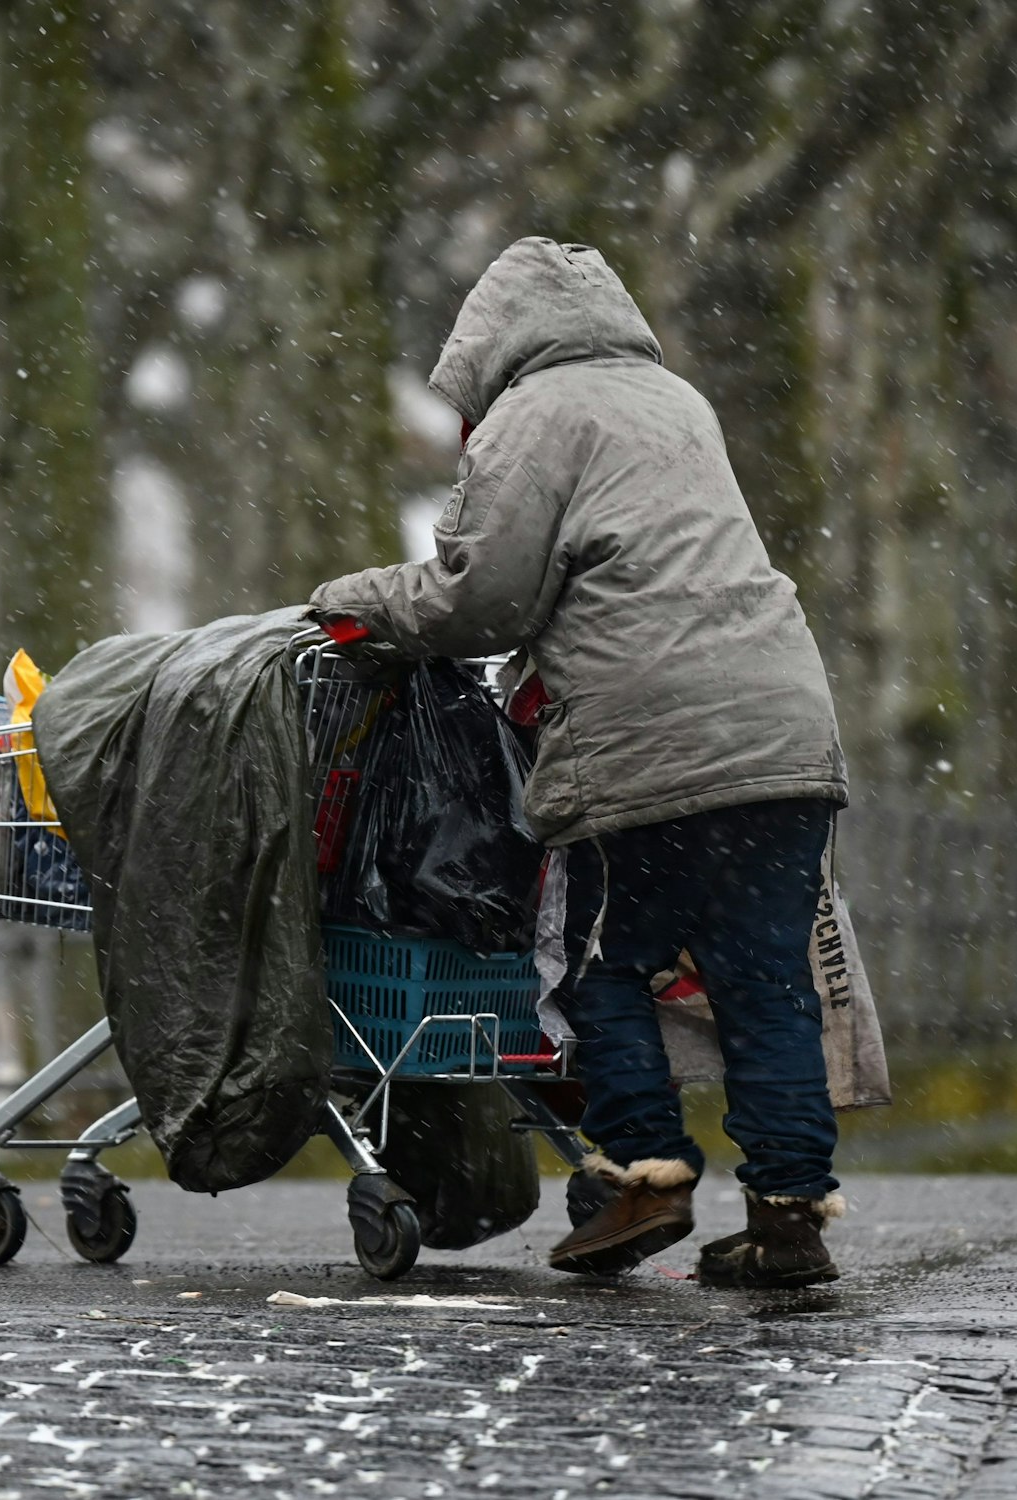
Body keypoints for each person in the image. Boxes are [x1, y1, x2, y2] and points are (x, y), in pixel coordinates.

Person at [309, 237, 849, 1289]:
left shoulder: (531, 414)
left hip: (645, 738)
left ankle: (643, 1177)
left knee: (597, 964)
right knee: (763, 986)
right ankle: (788, 1219)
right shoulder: (674, 400)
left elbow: (484, 597)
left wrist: (352, 600)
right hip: (784, 731)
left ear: (489, 343)